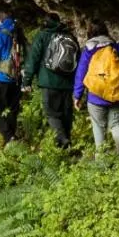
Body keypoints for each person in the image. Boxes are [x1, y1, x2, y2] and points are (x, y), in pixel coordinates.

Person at [74, 22, 119, 154]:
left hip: (96, 97)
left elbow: (81, 73)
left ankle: (102, 159)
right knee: (116, 124)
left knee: (98, 127)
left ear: (90, 33)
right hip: (117, 94)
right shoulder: (117, 47)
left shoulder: (88, 50)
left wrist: (77, 95)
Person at [23, 14, 79, 149]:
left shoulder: (42, 36)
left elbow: (33, 59)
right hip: (67, 83)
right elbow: (77, 59)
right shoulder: (69, 37)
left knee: (52, 113)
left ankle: (62, 139)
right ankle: (66, 143)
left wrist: (27, 81)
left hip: (48, 82)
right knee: (66, 114)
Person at [0, 11, 27, 143]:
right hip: (17, 79)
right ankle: (12, 139)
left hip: (2, 78)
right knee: (13, 109)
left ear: (1, 21)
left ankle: (9, 137)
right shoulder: (18, 35)